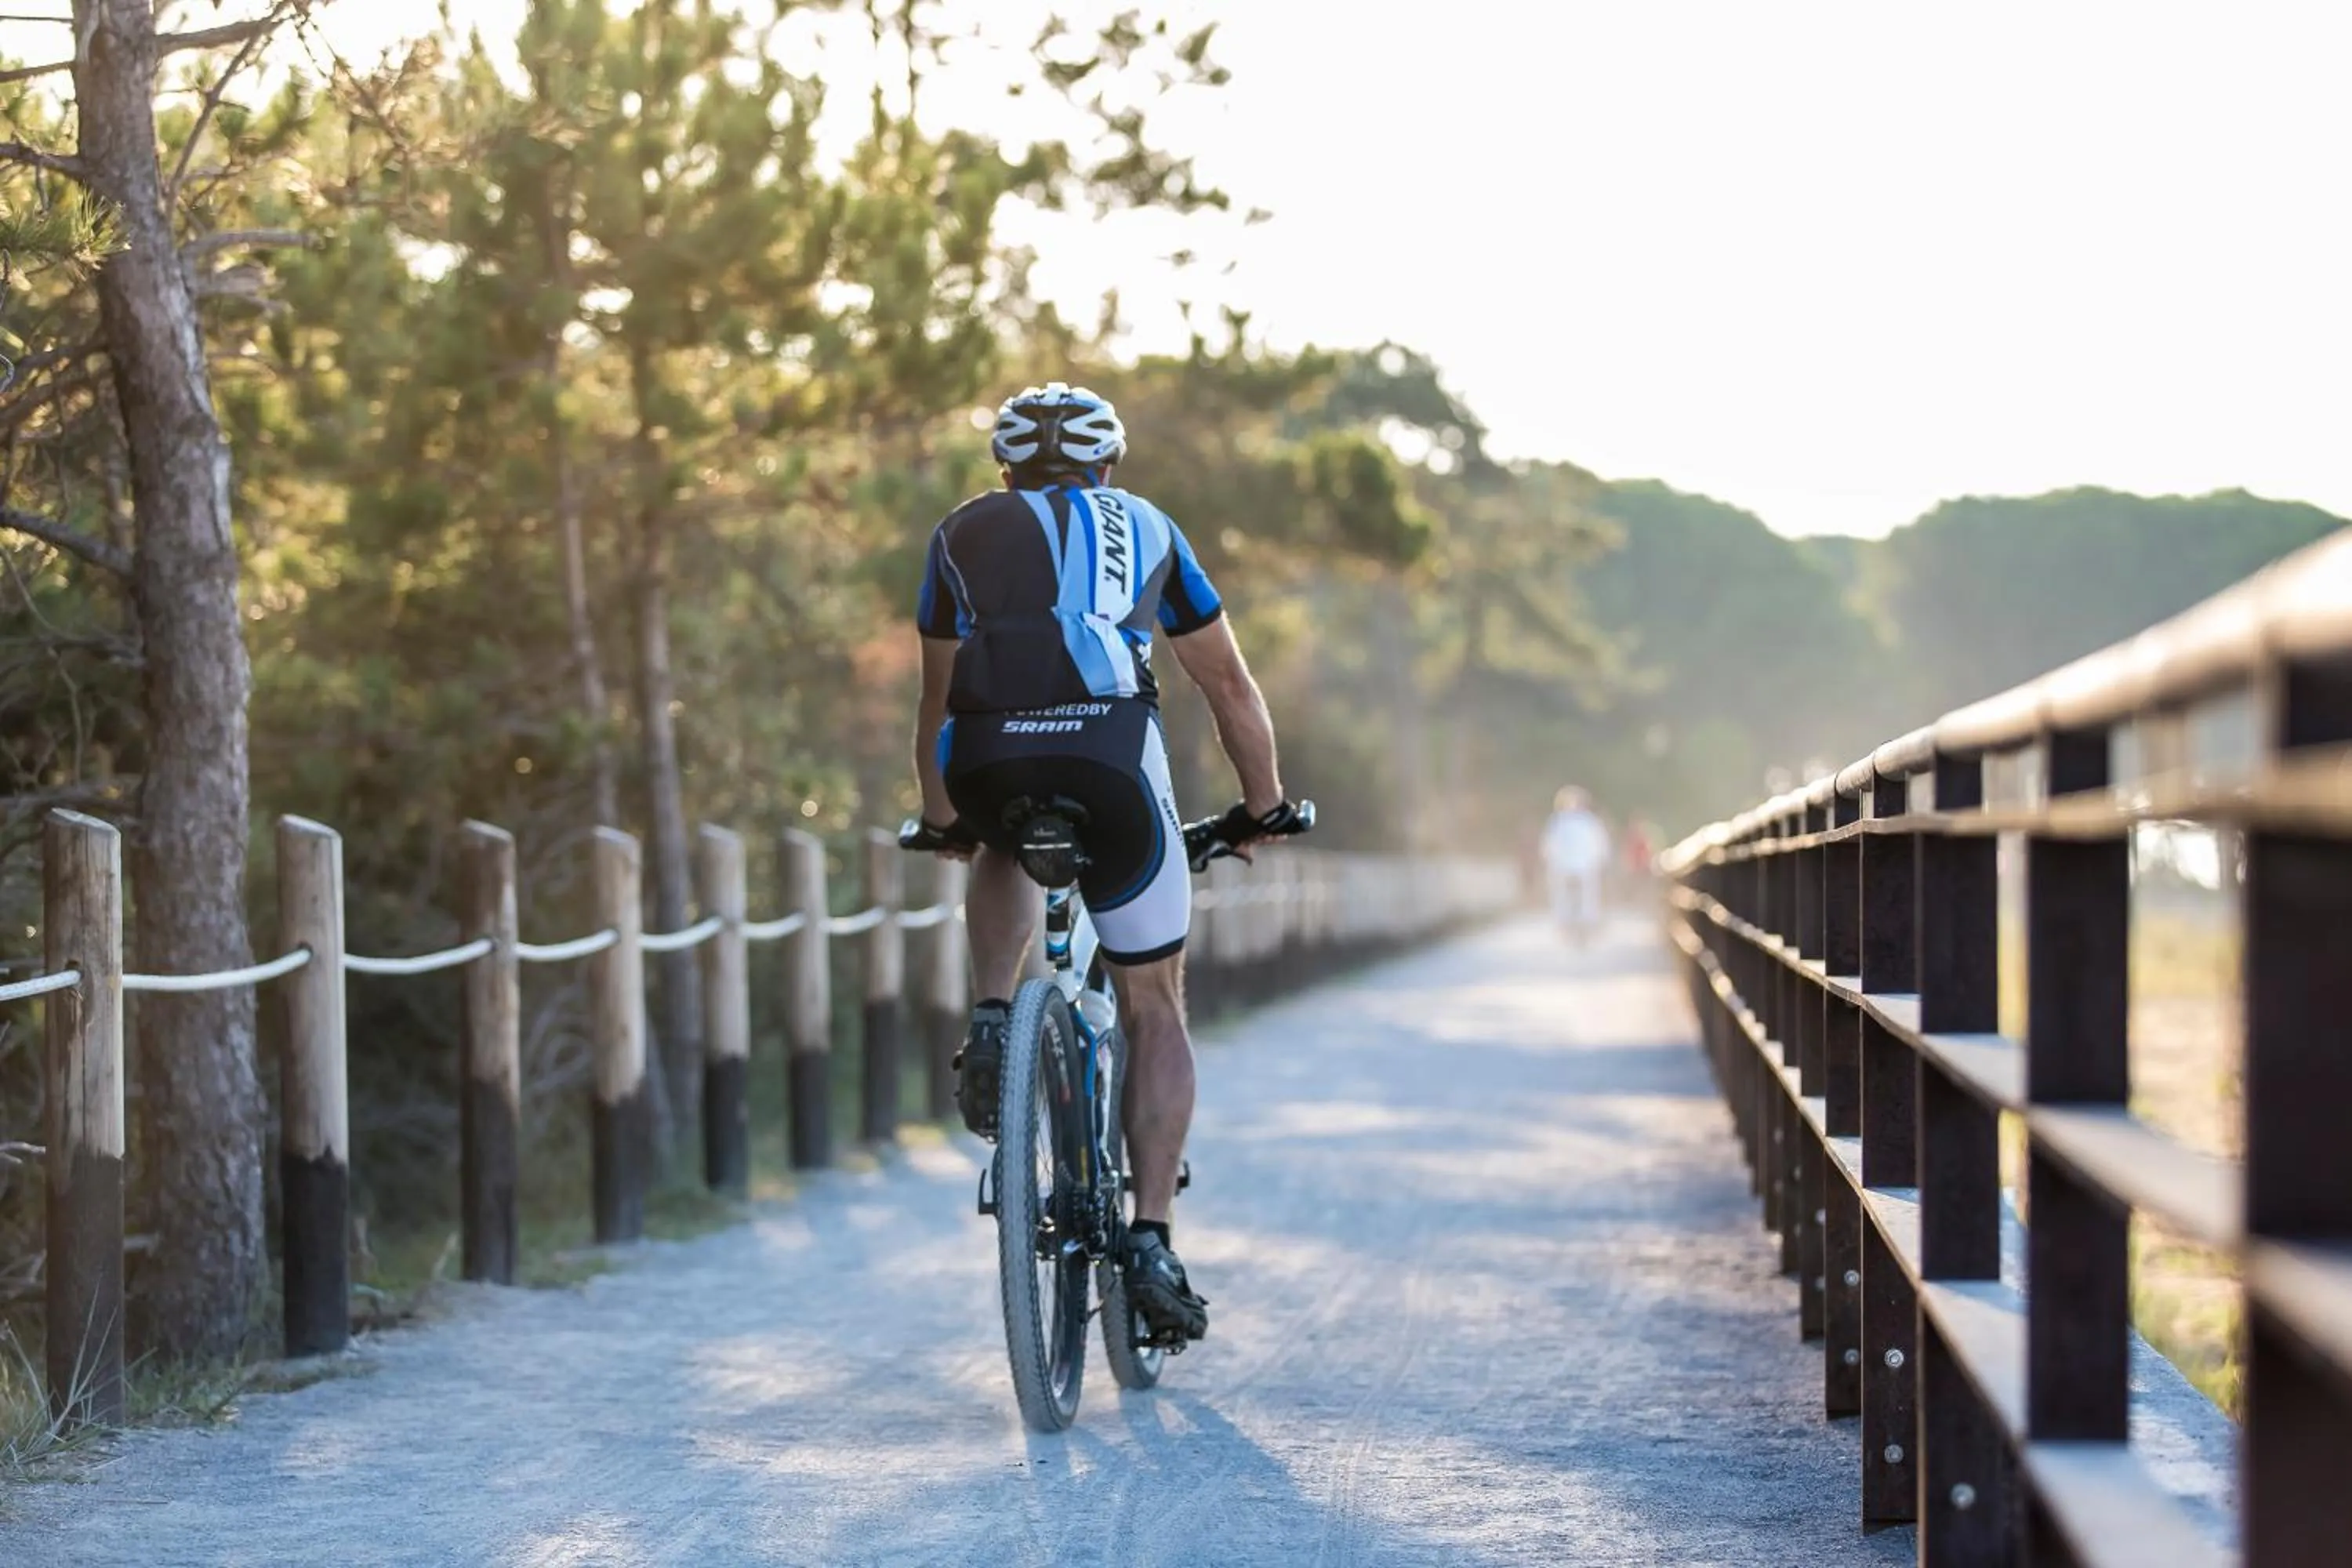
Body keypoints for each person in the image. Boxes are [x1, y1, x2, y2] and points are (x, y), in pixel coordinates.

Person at [906, 382, 1301, 1346]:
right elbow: (1228, 685)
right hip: (1114, 756)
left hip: (990, 755)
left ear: (1004, 469)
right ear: (1108, 464)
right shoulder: (1150, 526)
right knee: (1154, 1003)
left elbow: (935, 701)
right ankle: (1153, 1237)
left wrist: (941, 817)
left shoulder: (959, 532)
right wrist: (1263, 807)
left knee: (993, 836)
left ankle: (996, 1013)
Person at [1541, 786, 1612, 941]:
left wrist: (1600, 860)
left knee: (1587, 897)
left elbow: (1599, 843)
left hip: (1584, 865)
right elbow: (1550, 844)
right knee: (1564, 897)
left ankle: (1586, 925)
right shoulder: (1558, 821)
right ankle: (1566, 925)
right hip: (1564, 866)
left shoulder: (1589, 821)